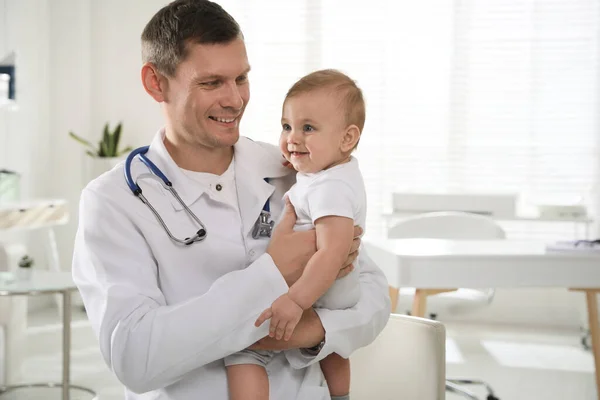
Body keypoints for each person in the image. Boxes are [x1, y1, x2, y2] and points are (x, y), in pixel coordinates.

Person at [71, 1, 391, 399]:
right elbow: (133, 357)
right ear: (156, 83)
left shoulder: (297, 167)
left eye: (241, 78)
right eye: (211, 83)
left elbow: (374, 293)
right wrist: (273, 273)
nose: (235, 100)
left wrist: (314, 331)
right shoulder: (113, 201)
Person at [225, 69, 367, 400]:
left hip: (319, 287)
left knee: (245, 351)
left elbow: (331, 254)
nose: (292, 138)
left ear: (346, 138)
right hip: (334, 290)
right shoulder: (333, 172)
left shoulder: (330, 189)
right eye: (286, 127)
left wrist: (295, 300)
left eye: (308, 128)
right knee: (332, 349)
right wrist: (300, 160)